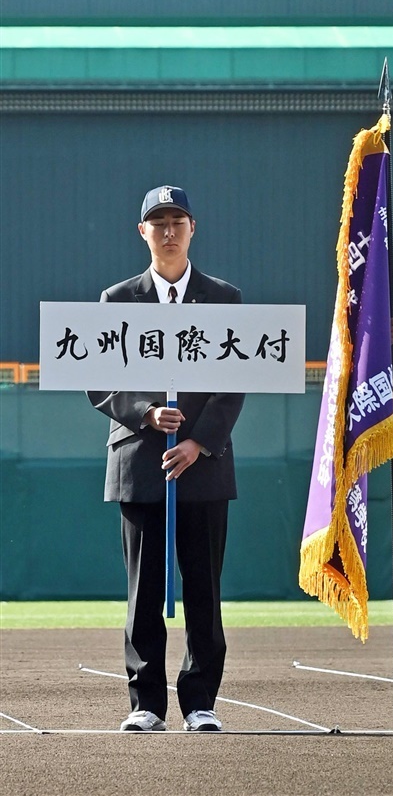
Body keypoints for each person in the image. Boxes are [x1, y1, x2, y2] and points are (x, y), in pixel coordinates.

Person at [88, 185, 245, 732]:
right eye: (158, 223)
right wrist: (148, 412)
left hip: (204, 465)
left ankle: (201, 702)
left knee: (203, 589)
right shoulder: (116, 300)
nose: (169, 231)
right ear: (143, 232)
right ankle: (146, 704)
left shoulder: (224, 298)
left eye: (178, 221)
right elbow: (98, 381)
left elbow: (236, 381)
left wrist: (199, 441)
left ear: (192, 228)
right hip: (140, 464)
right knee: (144, 591)